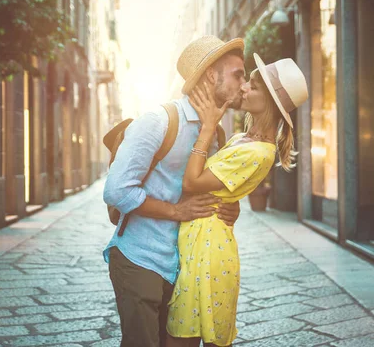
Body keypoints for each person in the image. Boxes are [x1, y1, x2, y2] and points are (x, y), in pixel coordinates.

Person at [103, 35, 249, 347]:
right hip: (141, 258)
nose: (244, 82)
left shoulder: (217, 132)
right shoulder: (159, 121)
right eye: (238, 74)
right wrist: (174, 211)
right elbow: (116, 191)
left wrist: (230, 209)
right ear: (211, 75)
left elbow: (210, 190)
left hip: (187, 267)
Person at [165, 53, 309, 347]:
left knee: (187, 338)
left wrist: (207, 128)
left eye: (253, 86)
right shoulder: (243, 139)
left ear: (269, 102)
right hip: (200, 238)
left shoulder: (258, 151)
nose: (243, 88)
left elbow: (192, 182)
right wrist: (233, 202)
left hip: (209, 251)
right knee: (184, 332)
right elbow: (220, 184)